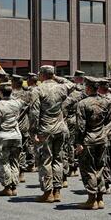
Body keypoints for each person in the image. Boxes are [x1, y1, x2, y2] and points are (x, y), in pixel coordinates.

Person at [29, 65, 70, 203]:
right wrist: (55, 77)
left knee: (45, 160)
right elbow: (72, 84)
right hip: (60, 128)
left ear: (42, 74)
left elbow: (34, 113)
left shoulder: (37, 90)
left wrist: (33, 131)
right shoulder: (61, 87)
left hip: (45, 129)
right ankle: (57, 191)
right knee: (58, 159)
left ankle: (48, 193)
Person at [75, 77, 111, 210]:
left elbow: (80, 126)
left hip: (88, 140)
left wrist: (78, 142)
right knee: (100, 167)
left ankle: (91, 199)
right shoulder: (105, 101)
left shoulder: (83, 104)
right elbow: (108, 120)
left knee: (88, 169)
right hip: (102, 138)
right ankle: (100, 198)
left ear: (89, 88)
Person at [0, 82, 24, 196]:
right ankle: (14, 186)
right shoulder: (17, 103)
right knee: (15, 161)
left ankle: (7, 187)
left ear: (0, 92)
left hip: (4, 135)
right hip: (16, 135)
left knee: (4, 162)